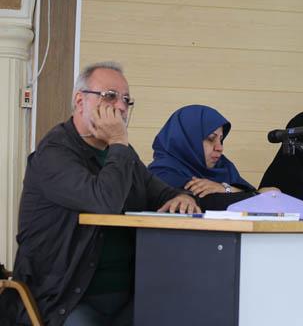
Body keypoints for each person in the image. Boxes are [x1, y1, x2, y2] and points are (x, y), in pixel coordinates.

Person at [9, 62, 199, 326]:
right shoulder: (54, 154)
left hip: (128, 295)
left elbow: (160, 191)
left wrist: (182, 197)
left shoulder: (122, 154)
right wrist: (118, 141)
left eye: (126, 100)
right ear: (80, 101)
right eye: (110, 96)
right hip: (66, 299)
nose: (120, 107)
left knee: (185, 310)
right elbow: (104, 202)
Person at [148, 105, 258, 208]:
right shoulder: (161, 173)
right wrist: (238, 192)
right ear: (186, 140)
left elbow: (257, 197)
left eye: (220, 139)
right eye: (211, 138)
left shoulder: (224, 167)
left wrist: (225, 188)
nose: (219, 148)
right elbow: (206, 203)